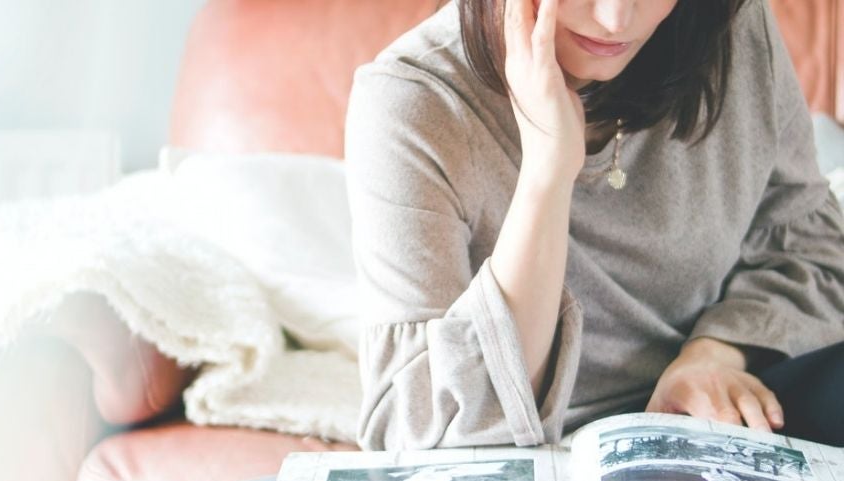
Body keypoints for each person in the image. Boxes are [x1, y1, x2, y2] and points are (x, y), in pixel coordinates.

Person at [344, 0, 844, 451]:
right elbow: (414, 430)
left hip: (726, 407)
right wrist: (548, 168)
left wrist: (714, 356)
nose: (615, 20)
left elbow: (811, 247)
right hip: (548, 455)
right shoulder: (413, 102)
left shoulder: (726, 25)